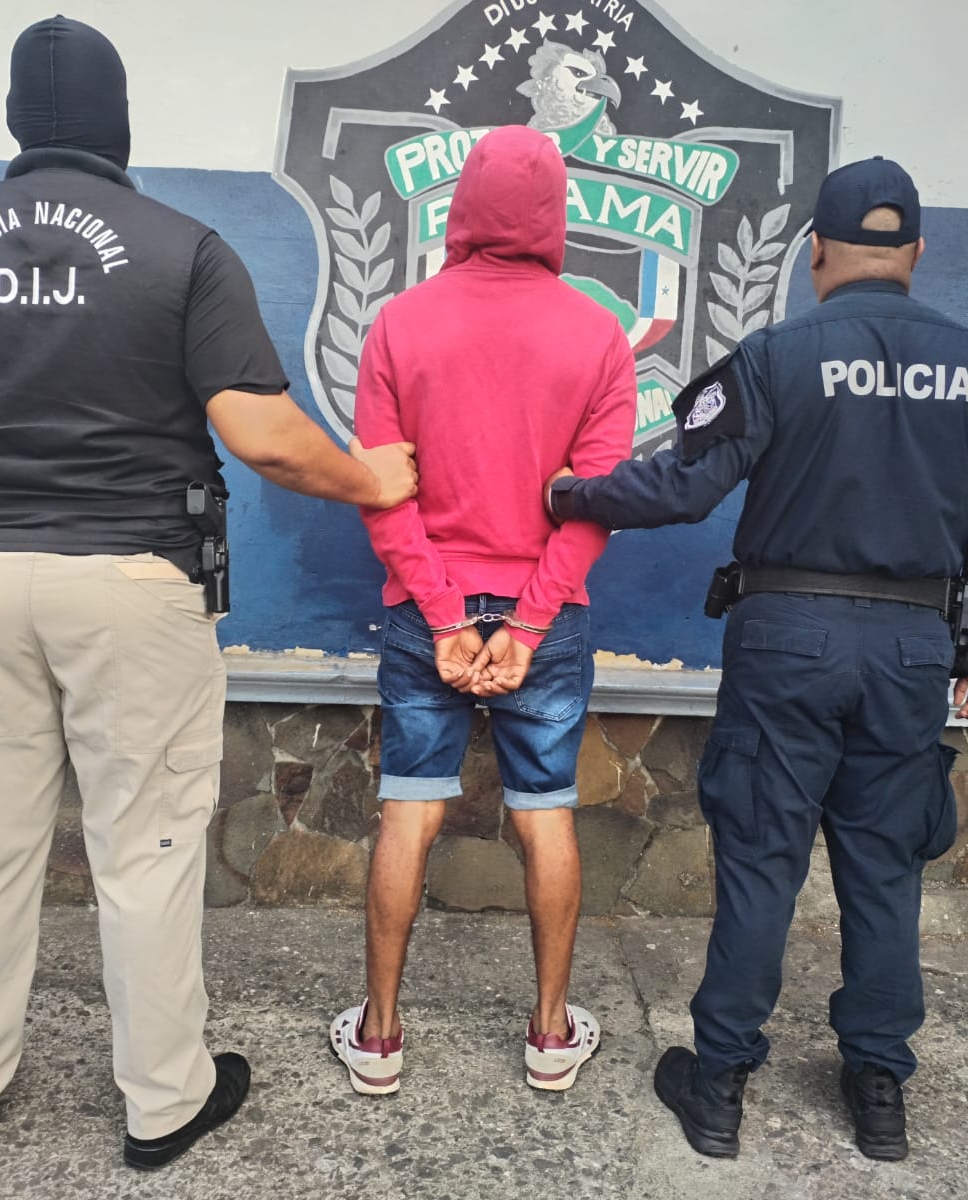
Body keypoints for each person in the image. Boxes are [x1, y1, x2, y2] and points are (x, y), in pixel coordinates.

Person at [0, 16, 416, 1170]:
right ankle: (163, 1104)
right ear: (118, 122)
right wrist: (370, 477)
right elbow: (259, 431)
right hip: (132, 580)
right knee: (146, 849)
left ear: (16, 119)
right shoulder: (182, 248)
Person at [547, 157, 968, 1160]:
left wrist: (568, 494)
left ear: (813, 251)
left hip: (785, 640)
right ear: (916, 253)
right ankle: (878, 1092)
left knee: (760, 861)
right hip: (912, 647)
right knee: (885, 866)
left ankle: (719, 1087)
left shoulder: (777, 355)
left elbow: (682, 488)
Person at [331, 124, 636, 1097]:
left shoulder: (399, 324)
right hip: (547, 619)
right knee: (543, 816)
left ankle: (379, 1037)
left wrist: (445, 616)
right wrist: (531, 623)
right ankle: (550, 1033)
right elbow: (596, 505)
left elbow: (383, 494)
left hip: (428, 612)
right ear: (553, 215)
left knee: (408, 811)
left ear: (463, 206)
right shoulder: (598, 335)